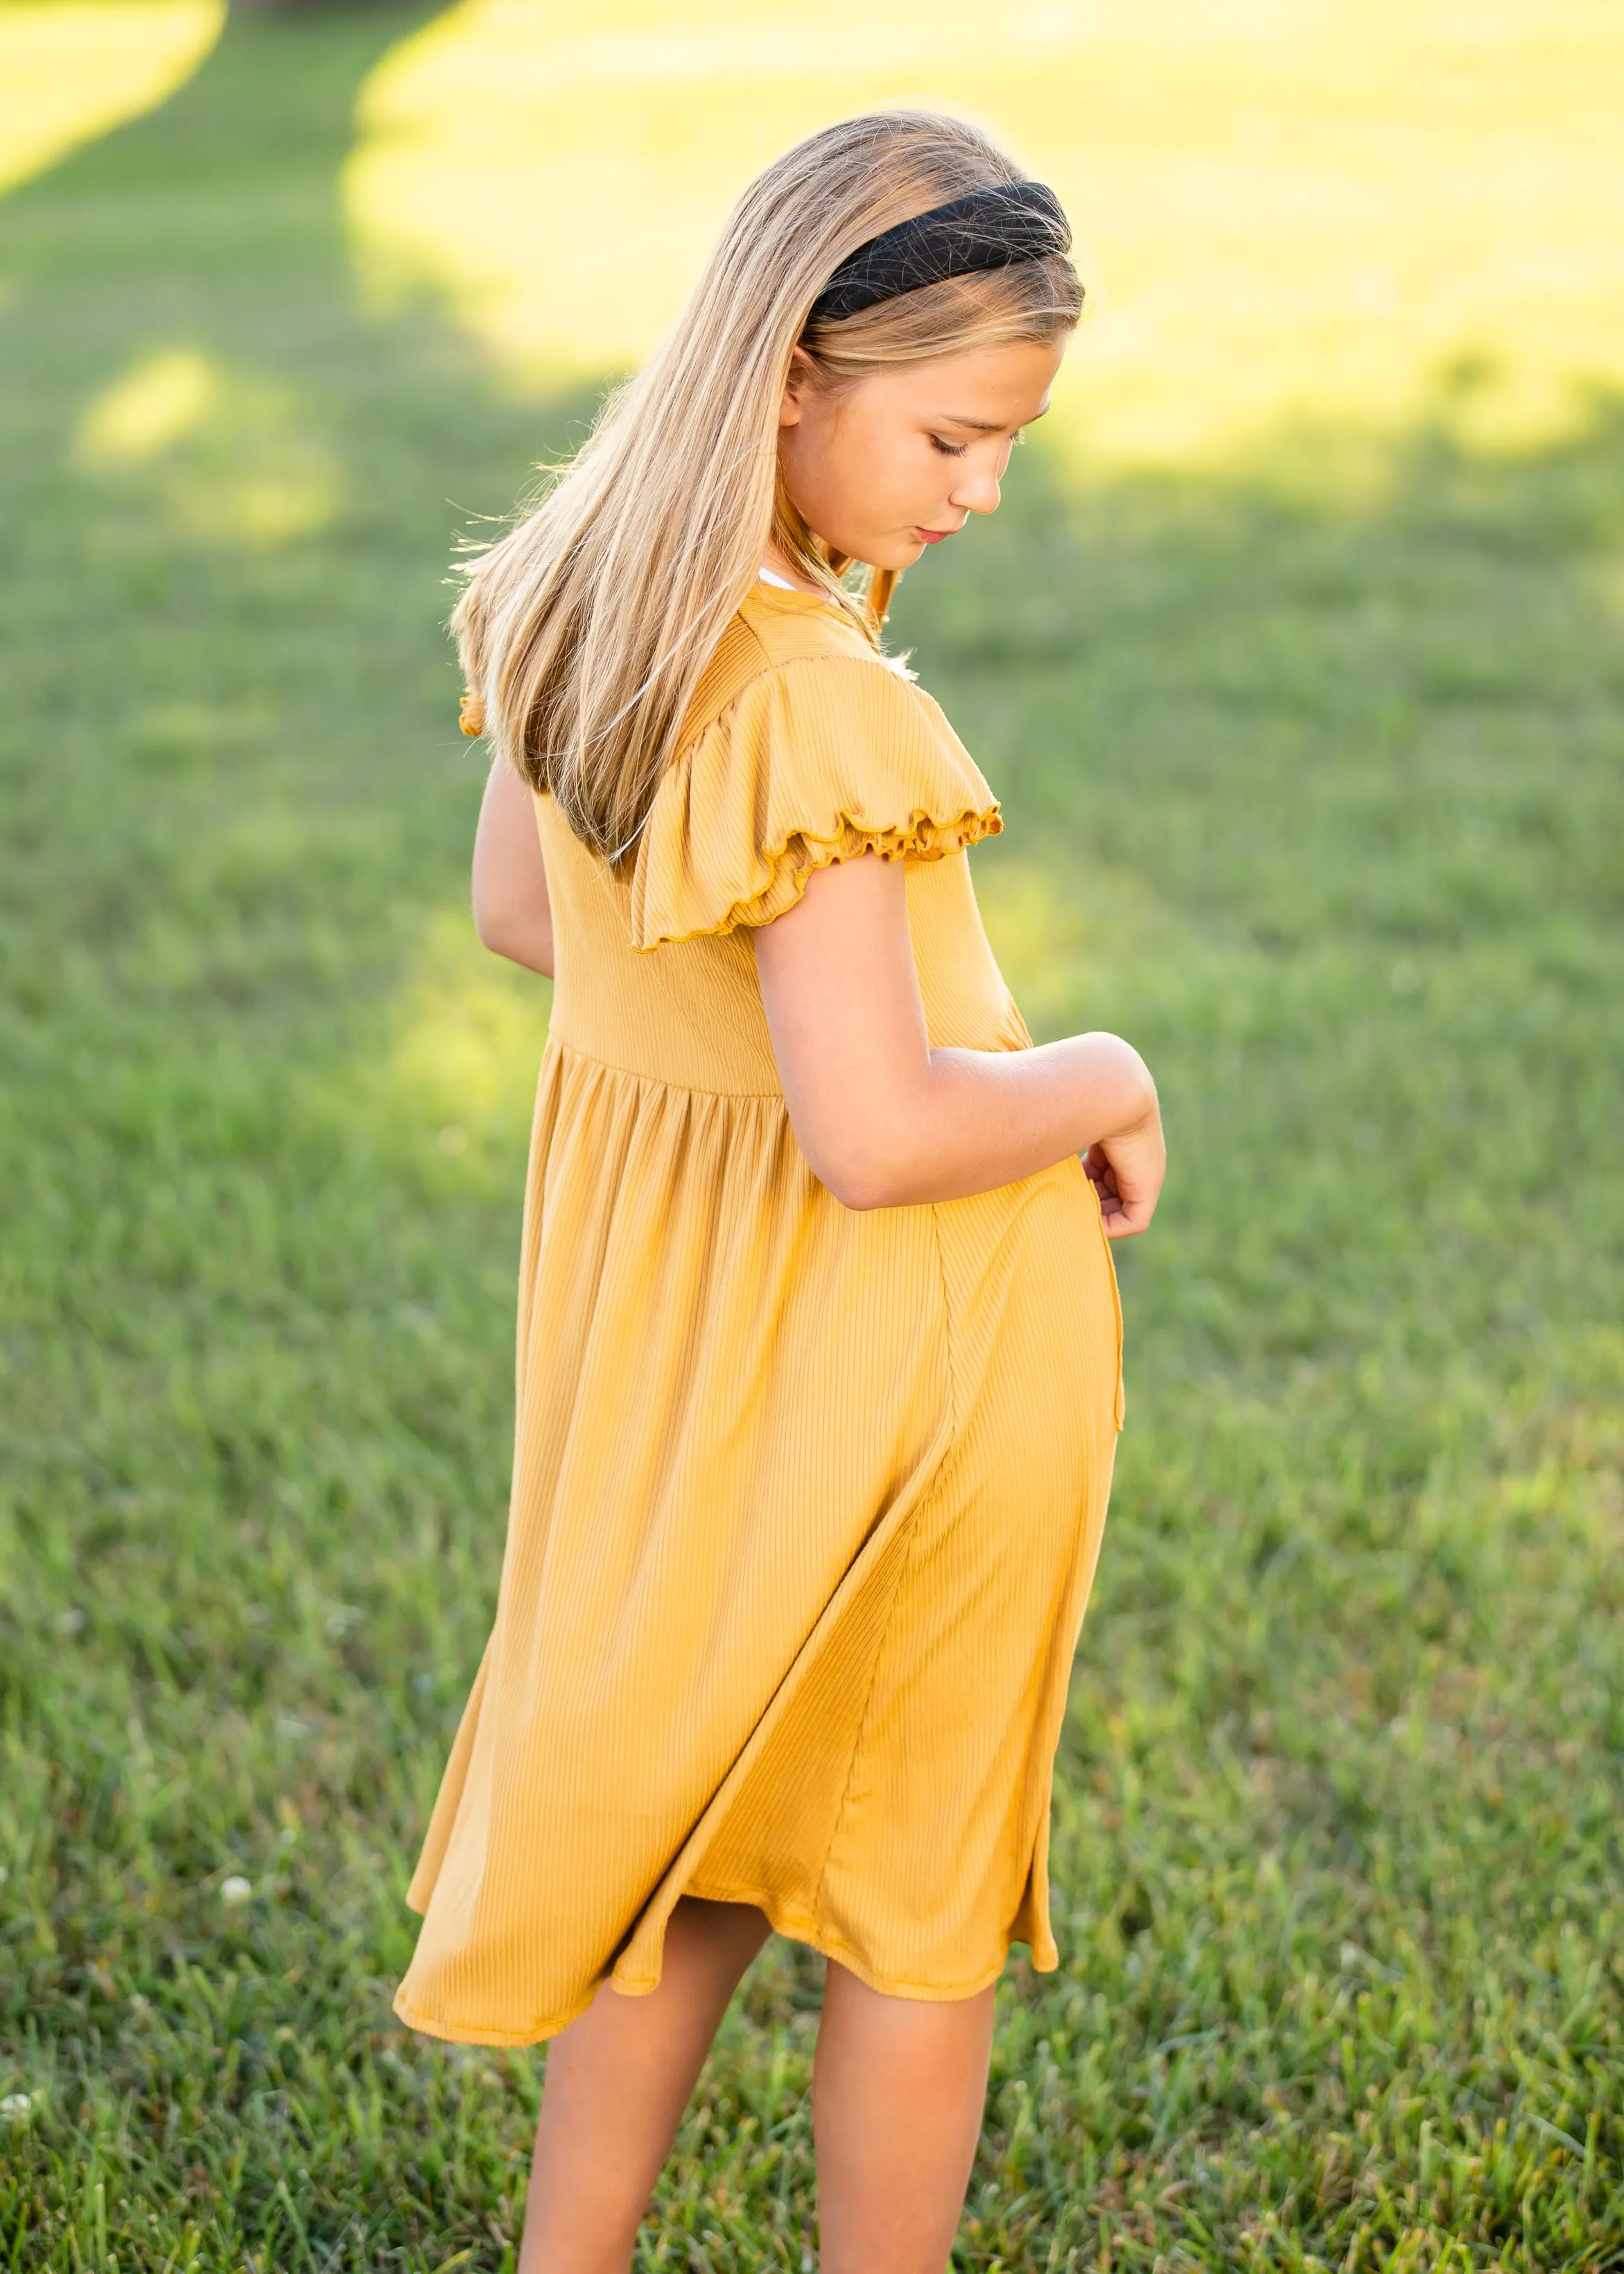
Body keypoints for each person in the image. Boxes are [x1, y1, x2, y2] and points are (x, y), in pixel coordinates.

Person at [394, 108, 1165, 2274]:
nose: (980, 489)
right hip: (910, 1373)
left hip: (696, 1347)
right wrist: (1096, 1066)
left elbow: (529, 921)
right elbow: (890, 1133)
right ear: (793, 378)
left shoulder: (587, 594)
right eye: (952, 435)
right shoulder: (815, 699)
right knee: (909, 1896)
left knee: (696, 1833)